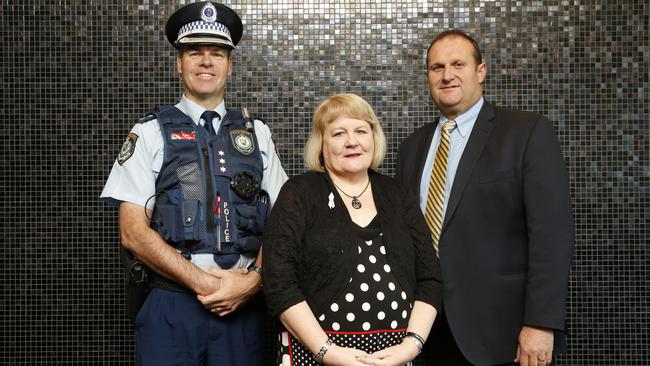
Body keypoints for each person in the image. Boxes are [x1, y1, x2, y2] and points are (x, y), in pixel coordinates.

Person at [100, 2, 288, 365]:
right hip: (171, 306)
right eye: (194, 52)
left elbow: (282, 223)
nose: (206, 62)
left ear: (229, 65)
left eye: (217, 53)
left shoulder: (257, 133)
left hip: (242, 308)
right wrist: (205, 284)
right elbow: (133, 233)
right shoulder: (150, 132)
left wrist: (253, 280)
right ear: (179, 63)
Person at [396, 29, 574, 366]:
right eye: (437, 68)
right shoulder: (411, 149)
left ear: (481, 72)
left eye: (458, 64)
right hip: (426, 332)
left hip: (503, 332)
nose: (447, 75)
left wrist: (541, 323)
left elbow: (552, 235)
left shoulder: (526, 133)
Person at [263, 93, 441, 366]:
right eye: (338, 133)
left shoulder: (398, 195)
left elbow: (430, 279)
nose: (352, 141)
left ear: (373, 138)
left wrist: (410, 346)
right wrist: (327, 352)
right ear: (321, 143)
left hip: (395, 359)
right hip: (317, 356)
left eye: (361, 130)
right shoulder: (298, 194)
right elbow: (279, 284)